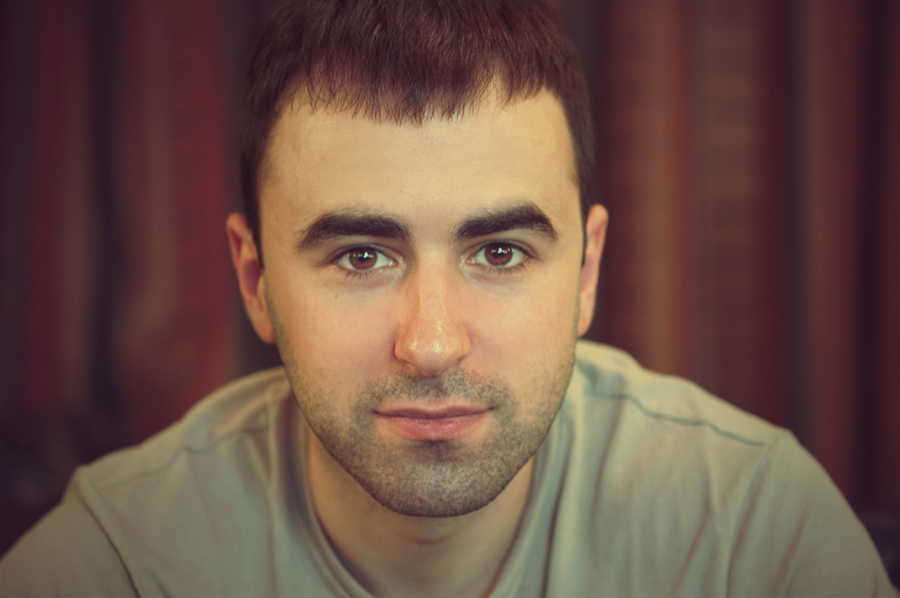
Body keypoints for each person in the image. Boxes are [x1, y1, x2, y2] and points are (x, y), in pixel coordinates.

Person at [1, 0, 895, 596]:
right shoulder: (117, 569)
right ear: (255, 280)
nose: (431, 345)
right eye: (361, 257)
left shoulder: (754, 539)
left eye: (499, 252)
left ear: (586, 273)